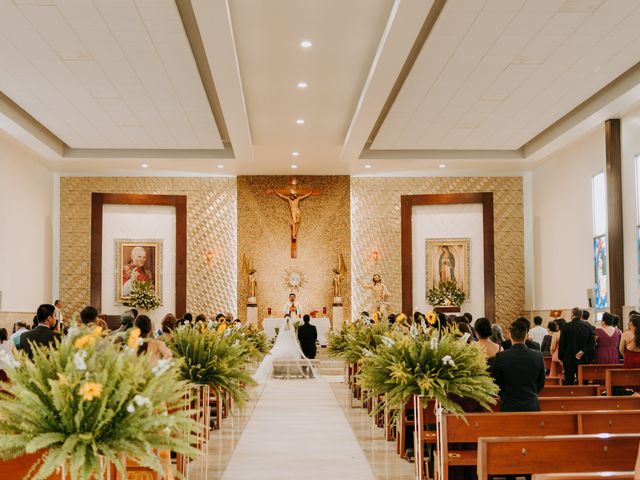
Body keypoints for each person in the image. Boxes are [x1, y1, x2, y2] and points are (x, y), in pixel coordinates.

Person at [492, 318, 546, 412]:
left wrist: (504, 395)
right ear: (526, 335)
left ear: (509, 335)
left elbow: (496, 382)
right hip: (531, 404)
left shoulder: (501, 357)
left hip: (508, 404)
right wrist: (531, 393)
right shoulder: (538, 355)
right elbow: (541, 382)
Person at [253, 316, 318, 383]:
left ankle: (303, 373)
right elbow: (314, 337)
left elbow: (299, 337)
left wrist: (302, 343)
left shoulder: (298, 328)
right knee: (311, 358)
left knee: (303, 359)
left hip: (298, 346)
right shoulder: (313, 327)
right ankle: (311, 373)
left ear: (303, 320)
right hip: (310, 346)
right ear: (309, 319)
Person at [559, 307, 595, 385]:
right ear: (581, 315)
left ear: (572, 314)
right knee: (583, 381)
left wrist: (561, 357)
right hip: (583, 359)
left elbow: (562, 344)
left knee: (569, 382)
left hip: (568, 359)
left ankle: (569, 396)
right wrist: (583, 351)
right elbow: (592, 344)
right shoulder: (589, 327)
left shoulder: (565, 327)